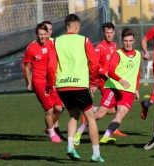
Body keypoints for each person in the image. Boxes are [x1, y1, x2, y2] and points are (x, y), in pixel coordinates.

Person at [49, 14, 104, 162]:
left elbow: (51, 65)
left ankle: (70, 147)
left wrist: (50, 83)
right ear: (76, 27)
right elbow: (94, 63)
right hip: (79, 85)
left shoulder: (55, 42)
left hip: (62, 86)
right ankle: (96, 154)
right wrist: (93, 82)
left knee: (74, 114)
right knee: (91, 118)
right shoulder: (84, 40)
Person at [74, 23, 126, 144]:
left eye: (111, 32)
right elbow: (94, 66)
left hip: (114, 83)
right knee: (103, 113)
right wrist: (97, 80)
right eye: (106, 32)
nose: (109, 35)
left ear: (114, 33)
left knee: (115, 109)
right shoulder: (99, 48)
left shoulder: (114, 45)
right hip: (105, 84)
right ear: (103, 33)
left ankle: (91, 112)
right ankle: (80, 131)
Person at [96, 27, 141, 144]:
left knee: (115, 111)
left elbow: (137, 72)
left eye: (130, 41)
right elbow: (98, 66)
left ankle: (105, 136)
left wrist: (136, 89)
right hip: (110, 84)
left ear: (134, 40)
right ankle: (89, 115)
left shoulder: (137, 54)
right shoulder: (103, 48)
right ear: (122, 41)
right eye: (126, 41)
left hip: (125, 89)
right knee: (103, 112)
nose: (128, 43)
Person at [23, 23, 63, 143]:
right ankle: (52, 134)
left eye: (44, 34)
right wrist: (29, 82)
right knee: (49, 109)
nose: (42, 37)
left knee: (59, 108)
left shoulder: (52, 44)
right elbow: (26, 67)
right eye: (40, 34)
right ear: (37, 34)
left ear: (48, 34)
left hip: (51, 81)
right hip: (39, 81)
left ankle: (49, 126)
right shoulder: (31, 48)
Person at [41, 20, 67, 141]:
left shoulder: (56, 42)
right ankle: (55, 132)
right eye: (47, 29)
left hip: (59, 79)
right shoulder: (37, 44)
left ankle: (50, 128)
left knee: (60, 106)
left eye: (51, 29)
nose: (49, 32)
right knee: (54, 107)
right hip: (45, 82)